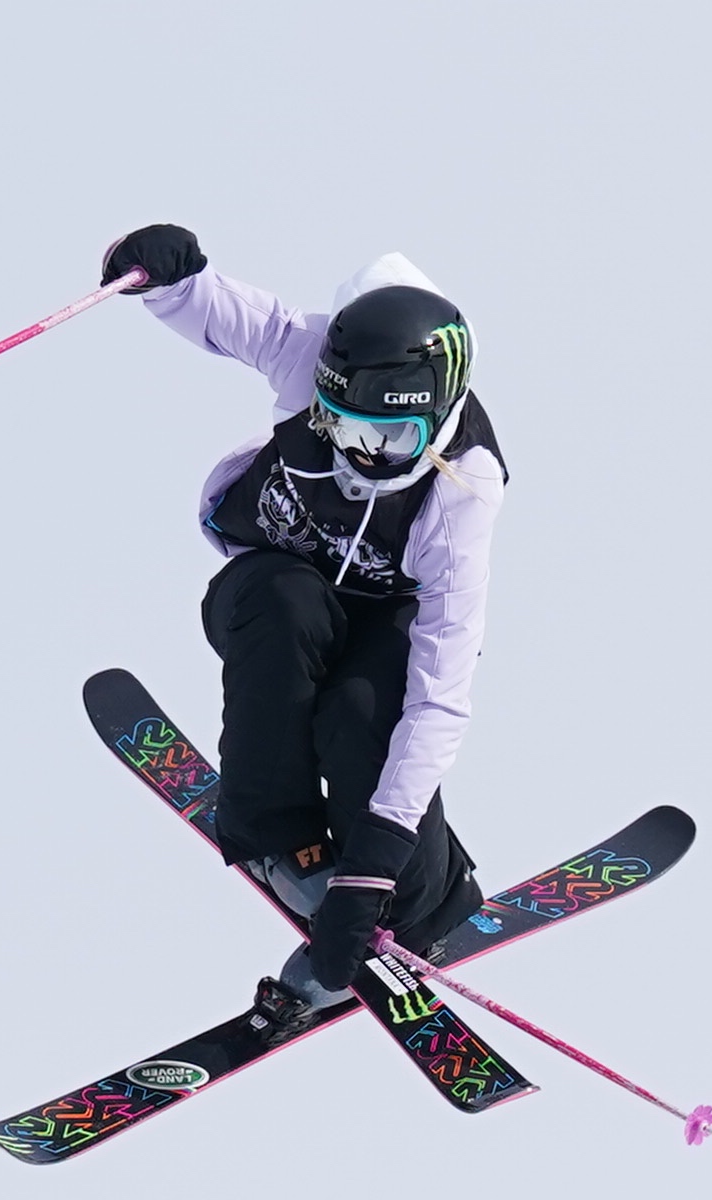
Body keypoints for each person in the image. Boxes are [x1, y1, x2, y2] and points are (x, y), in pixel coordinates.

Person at [99, 223, 507, 1028]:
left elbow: (440, 698)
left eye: (389, 438)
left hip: (389, 624)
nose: (361, 453)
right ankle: (284, 838)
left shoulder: (462, 495)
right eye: (339, 424)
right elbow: (230, 317)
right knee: (278, 601)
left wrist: (375, 865)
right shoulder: (319, 354)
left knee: (364, 716)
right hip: (287, 594)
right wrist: (166, 276)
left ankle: (421, 898)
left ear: (438, 415)